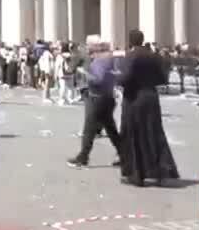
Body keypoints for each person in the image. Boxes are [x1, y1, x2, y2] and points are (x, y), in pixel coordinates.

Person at [117, 29, 179, 187]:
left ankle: (137, 174)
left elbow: (125, 78)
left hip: (134, 98)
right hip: (151, 96)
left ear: (130, 41)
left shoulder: (131, 56)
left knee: (134, 134)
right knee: (154, 133)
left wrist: (117, 78)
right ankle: (161, 170)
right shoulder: (154, 56)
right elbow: (163, 78)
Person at [68, 37, 123, 168]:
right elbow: (116, 76)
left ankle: (83, 158)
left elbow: (97, 80)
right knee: (111, 129)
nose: (88, 47)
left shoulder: (99, 61)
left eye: (89, 45)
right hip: (108, 98)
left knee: (89, 129)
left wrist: (84, 72)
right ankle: (125, 154)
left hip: (97, 98)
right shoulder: (111, 60)